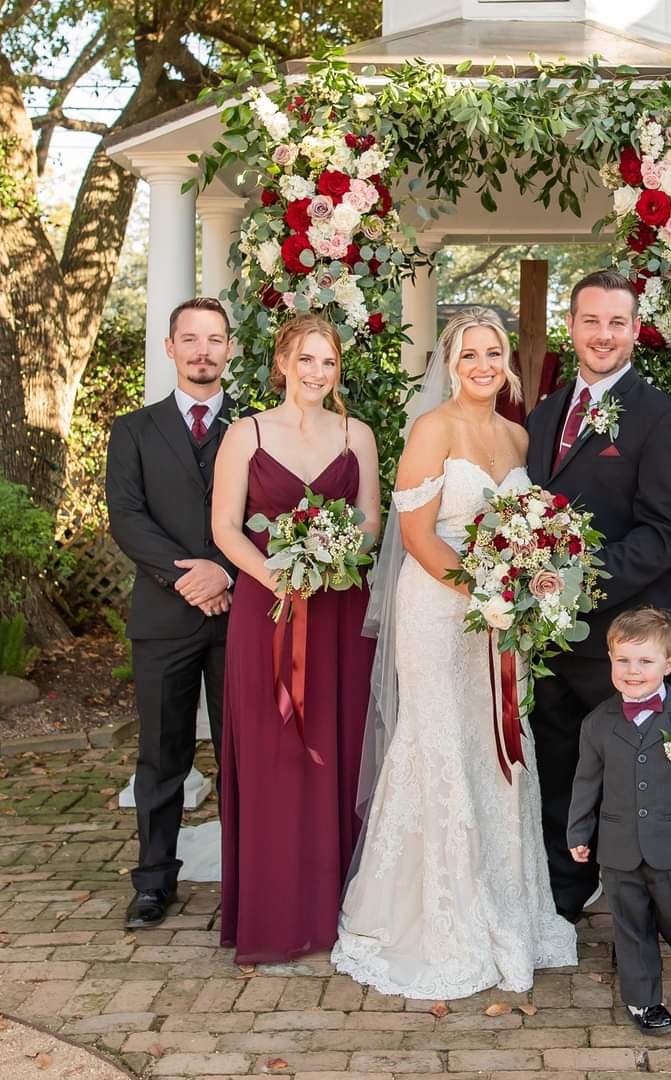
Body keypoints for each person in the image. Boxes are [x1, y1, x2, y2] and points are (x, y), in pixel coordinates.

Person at [332, 308, 577, 999]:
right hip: (442, 611)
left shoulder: (517, 433)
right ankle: (439, 917)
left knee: (497, 746)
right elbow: (417, 535)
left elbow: (524, 527)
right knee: (441, 741)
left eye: (493, 351)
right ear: (450, 360)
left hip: (502, 623)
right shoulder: (431, 429)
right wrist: (486, 593)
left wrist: (521, 592)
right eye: (469, 352)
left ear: (508, 361)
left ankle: (508, 907)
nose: (482, 363)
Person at [526, 270, 671, 922]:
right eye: (591, 321)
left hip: (627, 640)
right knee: (560, 771)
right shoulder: (542, 418)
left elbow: (667, 531)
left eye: (617, 323)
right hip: (551, 641)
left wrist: (575, 586)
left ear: (635, 330)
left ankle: (651, 911)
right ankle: (564, 898)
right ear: (571, 326)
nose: (603, 335)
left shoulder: (661, 420)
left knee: (638, 783)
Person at [212, 314, 381, 964]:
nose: (317, 373)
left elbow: (369, 519)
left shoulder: (357, 435)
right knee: (274, 751)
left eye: (328, 362)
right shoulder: (245, 434)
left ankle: (334, 909)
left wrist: (335, 553)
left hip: (340, 609)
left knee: (338, 746)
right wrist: (278, 574)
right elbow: (226, 528)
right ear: (283, 362)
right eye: (306, 360)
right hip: (267, 609)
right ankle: (276, 911)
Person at [106, 297, 236, 930]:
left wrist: (226, 570)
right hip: (164, 615)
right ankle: (154, 881)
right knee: (162, 754)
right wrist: (193, 578)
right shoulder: (133, 429)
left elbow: (270, 519)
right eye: (190, 339)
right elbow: (127, 518)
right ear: (170, 347)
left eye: (214, 339)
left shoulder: (257, 427)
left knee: (242, 750)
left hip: (241, 612)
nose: (202, 350)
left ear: (230, 349)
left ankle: (248, 872)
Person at [568, 608, 671, 1035]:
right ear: (610, 660)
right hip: (619, 846)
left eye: (645, 661)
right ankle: (644, 1001)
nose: (633, 671)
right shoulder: (596, 724)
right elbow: (586, 783)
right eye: (623, 660)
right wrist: (579, 831)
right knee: (631, 924)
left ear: (669, 664)